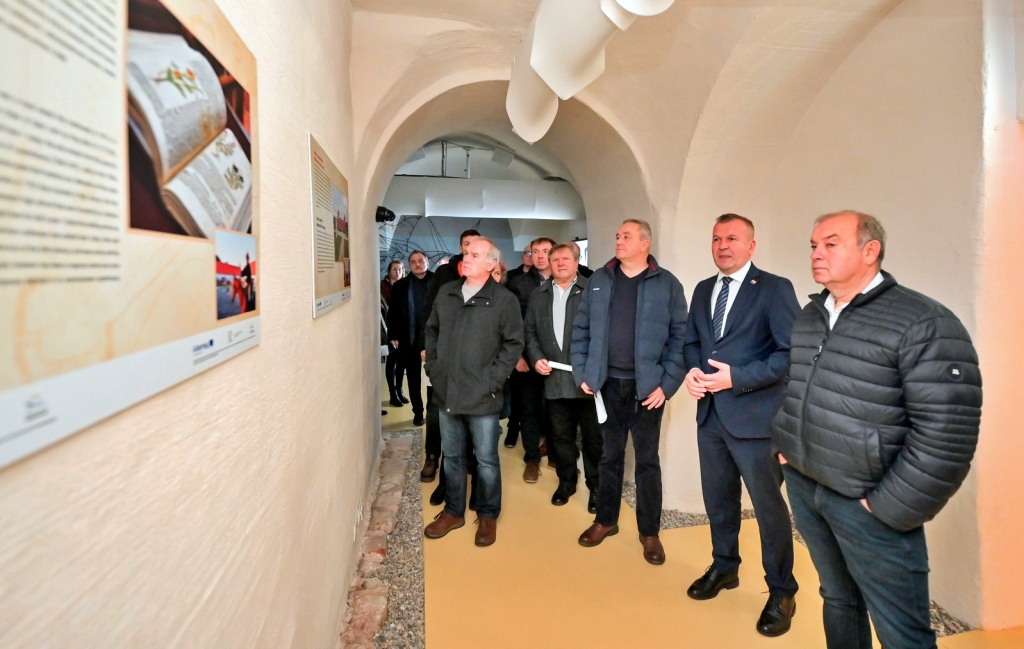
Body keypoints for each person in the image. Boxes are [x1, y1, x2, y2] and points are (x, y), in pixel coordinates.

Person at [772, 210, 982, 649]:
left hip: (869, 504)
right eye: (813, 246)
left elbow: (947, 435)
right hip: (809, 487)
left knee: (901, 631)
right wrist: (787, 450)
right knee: (838, 600)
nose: (816, 254)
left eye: (831, 244)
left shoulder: (923, 322)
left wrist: (889, 506)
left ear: (871, 251)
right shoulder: (812, 315)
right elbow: (796, 386)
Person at [682, 214, 800, 637]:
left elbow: (790, 354)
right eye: (716, 238)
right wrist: (692, 372)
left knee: (768, 510)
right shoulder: (703, 289)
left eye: (732, 238)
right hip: (711, 416)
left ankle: (782, 591)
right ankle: (725, 566)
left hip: (756, 421)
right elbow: (692, 343)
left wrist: (738, 378)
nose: (723, 245)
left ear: (751, 245)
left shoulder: (774, 288)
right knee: (719, 500)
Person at [572, 219, 688, 565]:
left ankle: (649, 533)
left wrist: (667, 385)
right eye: (617, 235)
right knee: (609, 457)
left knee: (647, 461)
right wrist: (583, 371)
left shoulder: (667, 284)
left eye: (626, 236)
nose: (619, 240)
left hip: (647, 389)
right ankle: (606, 520)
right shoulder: (600, 279)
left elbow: (680, 339)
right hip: (607, 386)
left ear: (644, 243)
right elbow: (581, 330)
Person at [423, 238, 524, 547]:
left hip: (483, 395)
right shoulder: (447, 292)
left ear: (491, 264)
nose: (466, 258)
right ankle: (454, 512)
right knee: (452, 456)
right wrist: (435, 369)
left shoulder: (504, 300)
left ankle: (488, 514)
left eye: (475, 255)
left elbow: (513, 344)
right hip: (447, 391)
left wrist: (493, 380)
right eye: (466, 253)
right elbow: (432, 331)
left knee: (486, 459)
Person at [524, 242, 601, 512]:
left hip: (586, 380)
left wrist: (594, 371)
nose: (560, 263)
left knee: (593, 439)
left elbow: (602, 335)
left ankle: (596, 487)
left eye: (566, 258)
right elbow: (530, 332)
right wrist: (536, 358)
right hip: (554, 379)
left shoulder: (593, 291)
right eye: (555, 259)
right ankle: (567, 481)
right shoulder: (538, 295)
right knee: (561, 437)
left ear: (577, 261)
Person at [420, 229, 481, 506]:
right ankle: (433, 458)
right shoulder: (445, 274)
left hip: (473, 363)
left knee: (470, 421)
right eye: (466, 244)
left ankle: (468, 473)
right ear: (460, 247)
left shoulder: (486, 275)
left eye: (475, 245)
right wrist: (428, 350)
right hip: (444, 358)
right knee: (437, 414)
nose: (469, 249)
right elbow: (429, 312)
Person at [509, 237, 556, 482]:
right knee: (529, 409)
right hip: (527, 358)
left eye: (545, 251)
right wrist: (517, 355)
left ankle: (556, 453)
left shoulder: (565, 281)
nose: (539, 256)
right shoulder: (517, 284)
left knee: (557, 410)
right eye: (534, 251)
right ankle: (531, 459)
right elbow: (511, 324)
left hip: (558, 360)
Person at [387, 251, 434, 445]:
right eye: (413, 262)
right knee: (413, 379)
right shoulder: (401, 286)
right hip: (409, 339)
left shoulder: (438, 283)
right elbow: (393, 312)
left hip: (433, 340)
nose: (417, 264)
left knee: (433, 380)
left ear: (427, 262)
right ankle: (418, 412)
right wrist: (393, 334)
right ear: (409, 265)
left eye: (421, 261)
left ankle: (432, 412)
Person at [381, 260, 407, 407]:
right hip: (389, 329)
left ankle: (399, 390)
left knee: (401, 362)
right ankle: (392, 393)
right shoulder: (383, 287)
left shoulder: (405, 285)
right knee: (391, 361)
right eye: (394, 269)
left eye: (400, 269)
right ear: (389, 271)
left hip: (404, 328)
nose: (397, 272)